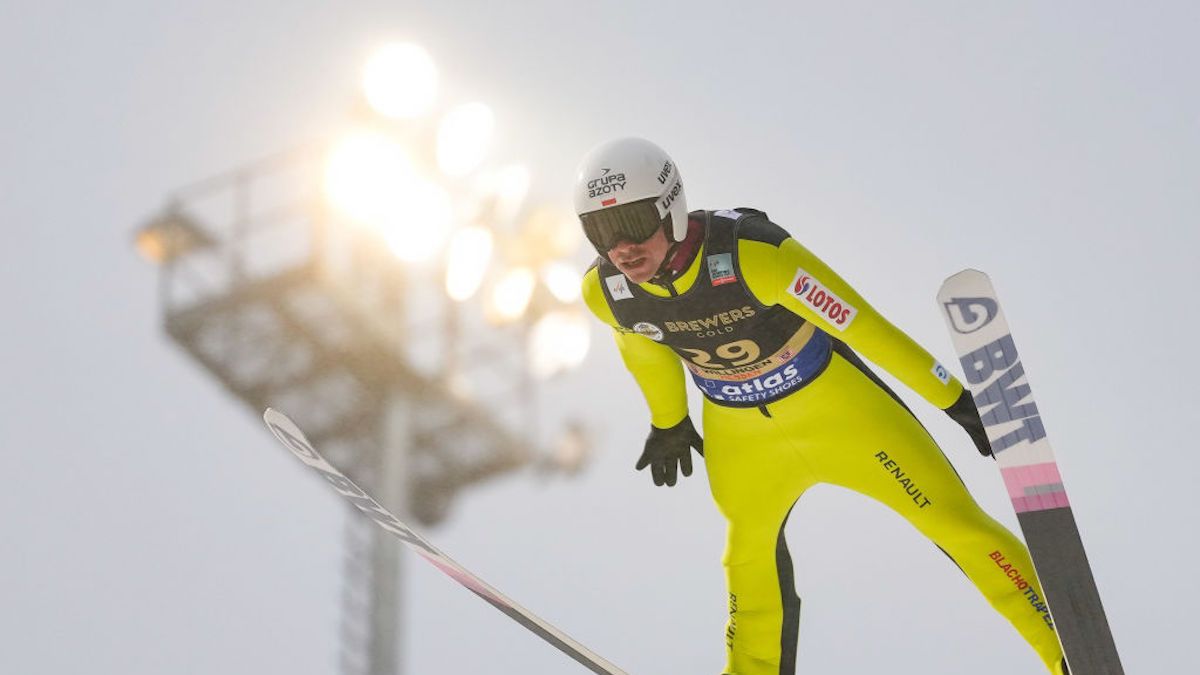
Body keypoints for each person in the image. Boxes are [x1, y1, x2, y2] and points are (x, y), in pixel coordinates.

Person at [574, 137, 1068, 675]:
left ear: (670, 207)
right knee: (747, 562)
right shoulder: (607, 291)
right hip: (743, 439)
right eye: (600, 232)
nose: (621, 248)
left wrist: (955, 400)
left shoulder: (754, 255)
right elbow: (643, 348)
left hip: (842, 413)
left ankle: (1067, 652)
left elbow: (863, 325)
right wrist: (669, 421)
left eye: (633, 223)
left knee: (956, 525)